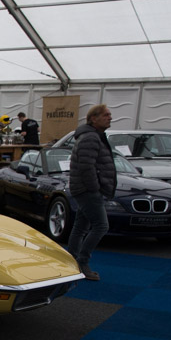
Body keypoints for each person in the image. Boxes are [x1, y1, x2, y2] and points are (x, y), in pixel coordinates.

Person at [66, 104, 116, 282]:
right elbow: (87, 166)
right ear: (94, 118)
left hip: (85, 188)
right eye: (106, 115)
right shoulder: (91, 138)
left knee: (81, 226)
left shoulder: (91, 136)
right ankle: (82, 262)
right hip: (88, 190)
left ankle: (72, 261)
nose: (110, 117)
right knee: (101, 226)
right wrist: (95, 187)